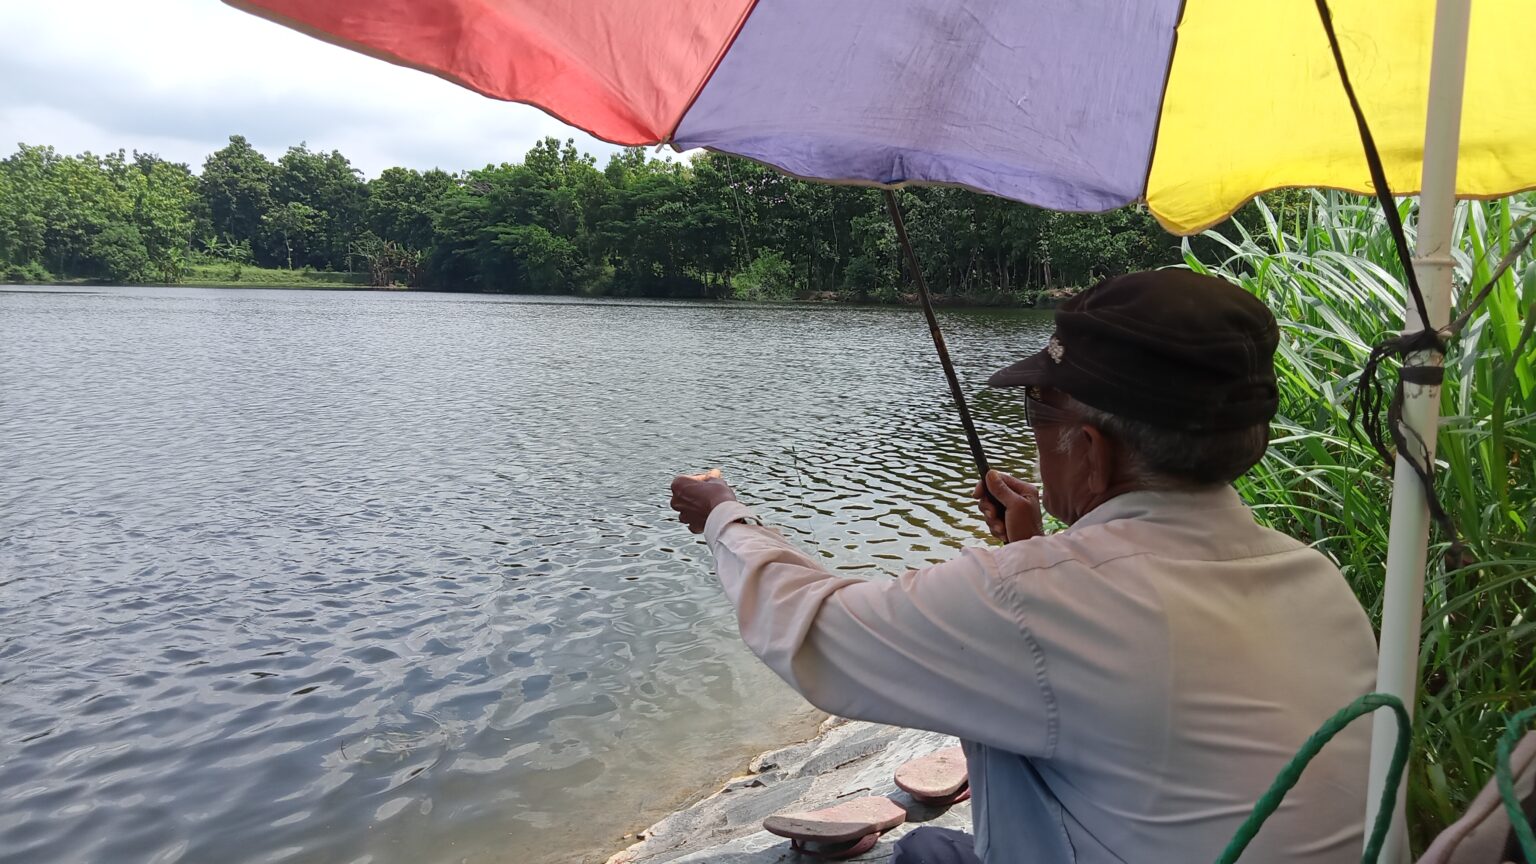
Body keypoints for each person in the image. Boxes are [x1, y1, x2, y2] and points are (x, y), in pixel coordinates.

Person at [669, 271, 1377, 864]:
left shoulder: (1033, 599)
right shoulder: (1317, 578)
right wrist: (1033, 550)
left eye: (1039, 406)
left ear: (1092, 449)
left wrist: (725, 517)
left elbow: (814, 633)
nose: (1031, 429)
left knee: (912, 855)